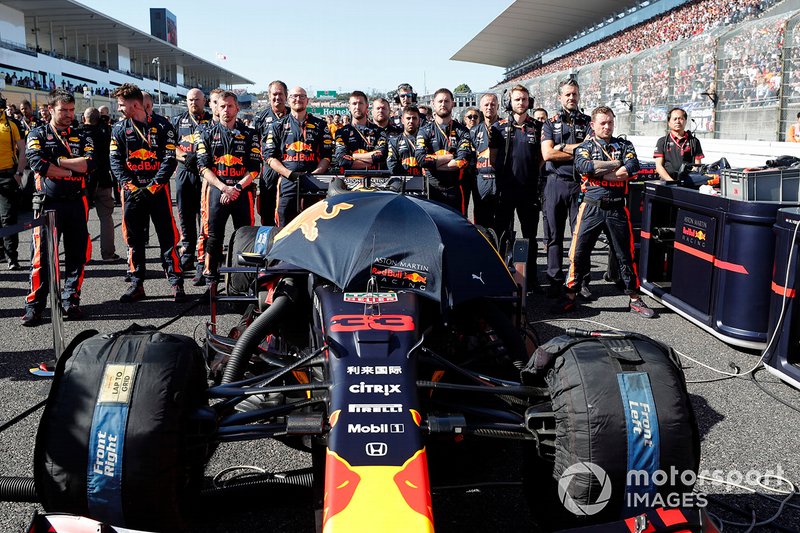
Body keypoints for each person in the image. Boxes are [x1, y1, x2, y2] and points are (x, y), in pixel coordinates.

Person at [561, 106, 654, 318]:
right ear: (592, 125)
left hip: (617, 207)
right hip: (591, 206)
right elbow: (585, 166)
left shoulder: (624, 144)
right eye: (602, 123)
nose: (607, 126)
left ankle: (634, 298)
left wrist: (602, 171)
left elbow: (633, 166)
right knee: (578, 253)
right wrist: (614, 165)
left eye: (610, 122)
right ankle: (569, 297)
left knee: (626, 255)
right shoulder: (584, 146)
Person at [23, 89, 94, 326]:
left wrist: (58, 162)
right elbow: (37, 163)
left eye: (72, 110)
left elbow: (89, 164)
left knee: (78, 254)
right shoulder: (38, 133)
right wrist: (70, 169)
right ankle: (35, 305)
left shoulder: (83, 135)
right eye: (63, 110)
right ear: (51, 109)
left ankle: (71, 299)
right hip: (47, 205)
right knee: (42, 257)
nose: (68, 115)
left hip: (76, 202)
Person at [109, 83, 184, 303]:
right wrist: (133, 187)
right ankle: (137, 283)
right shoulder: (119, 129)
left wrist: (152, 187)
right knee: (134, 240)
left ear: (135, 104)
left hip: (158, 193)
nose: (120, 109)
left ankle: (176, 283)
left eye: (122, 105)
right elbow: (115, 162)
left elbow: (170, 159)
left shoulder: (163, 126)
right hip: (133, 194)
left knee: (168, 238)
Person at [196, 91, 260, 288]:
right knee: (214, 236)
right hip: (217, 190)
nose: (226, 110)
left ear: (237, 108)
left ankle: (245, 279)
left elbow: (255, 169)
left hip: (242, 190)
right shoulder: (205, 132)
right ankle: (211, 278)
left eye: (230, 106)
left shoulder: (250, 134)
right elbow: (202, 166)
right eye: (222, 106)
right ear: (216, 108)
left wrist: (237, 187)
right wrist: (224, 187)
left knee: (246, 236)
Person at [541, 78, 591, 298]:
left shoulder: (588, 121)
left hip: (580, 184)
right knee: (554, 236)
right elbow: (548, 154)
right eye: (567, 94)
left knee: (581, 236)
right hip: (555, 183)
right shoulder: (550, 123)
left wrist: (562, 146)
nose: (571, 98)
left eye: (574, 94)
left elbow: (591, 149)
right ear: (559, 97)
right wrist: (577, 149)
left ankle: (581, 280)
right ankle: (554, 279)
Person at [493, 85, 543, 287]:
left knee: (530, 235)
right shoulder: (498, 128)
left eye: (524, 99)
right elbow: (493, 158)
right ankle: (501, 274)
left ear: (529, 102)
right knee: (503, 235)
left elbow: (541, 157)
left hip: (529, 191)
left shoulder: (538, 127)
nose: (521, 103)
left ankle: (531, 278)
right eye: (517, 99)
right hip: (505, 190)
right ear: (509, 102)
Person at [263, 86, 332, 226]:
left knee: (314, 224)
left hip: (313, 181)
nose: (298, 99)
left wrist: (316, 174)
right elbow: (269, 157)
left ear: (307, 100)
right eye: (294, 96)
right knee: (284, 223)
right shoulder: (277, 125)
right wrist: (290, 174)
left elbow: (327, 155)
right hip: (288, 180)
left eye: (302, 96)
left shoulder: (320, 125)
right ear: (288, 100)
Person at [172, 88, 212, 276]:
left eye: (197, 99)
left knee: (204, 214)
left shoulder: (212, 120)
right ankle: (187, 250)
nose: (193, 103)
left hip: (205, 173)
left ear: (204, 100)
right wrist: (184, 156)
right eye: (190, 100)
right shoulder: (178, 121)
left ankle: (203, 256)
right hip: (184, 171)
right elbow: (169, 146)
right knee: (185, 213)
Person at [415, 88, 473, 213]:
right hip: (431, 190)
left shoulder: (462, 131)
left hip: (455, 189)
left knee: (458, 229)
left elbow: (462, 161)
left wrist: (432, 165)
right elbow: (420, 160)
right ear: (433, 103)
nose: (443, 104)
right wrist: (450, 157)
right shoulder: (424, 131)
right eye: (440, 101)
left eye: (447, 101)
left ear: (453, 103)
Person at [81, 107, 118, 262]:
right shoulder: (106, 132)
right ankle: (108, 253)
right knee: (106, 218)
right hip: (103, 179)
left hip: (84, 181)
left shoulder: (78, 133)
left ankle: (83, 255)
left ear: (84, 119)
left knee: (80, 219)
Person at [253, 80, 288, 226]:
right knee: (267, 208)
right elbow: (254, 146)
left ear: (286, 96)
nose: (277, 97)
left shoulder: (294, 115)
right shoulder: (260, 118)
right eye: (274, 94)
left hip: (288, 167)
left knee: (288, 208)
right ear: (269, 96)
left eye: (280, 94)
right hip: (268, 169)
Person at [0, 94, 26, 271]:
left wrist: (19, 173)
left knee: (8, 218)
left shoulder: (11, 124)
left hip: (8, 175)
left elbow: (22, 149)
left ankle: (12, 257)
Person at [333, 91, 387, 172]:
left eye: (360, 103)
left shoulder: (379, 131)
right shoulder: (341, 132)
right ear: (349, 107)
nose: (357, 107)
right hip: (349, 181)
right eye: (354, 103)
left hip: (375, 180)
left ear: (367, 106)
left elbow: (380, 156)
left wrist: (353, 156)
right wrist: (371, 161)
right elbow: (342, 160)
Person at [470, 95, 501, 234]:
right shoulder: (473, 131)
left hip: (501, 179)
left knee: (503, 221)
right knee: (482, 222)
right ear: (481, 107)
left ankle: (504, 253)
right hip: (481, 180)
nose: (490, 107)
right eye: (486, 105)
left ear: (498, 106)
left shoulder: (505, 127)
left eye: (493, 104)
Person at [654, 107, 704, 181]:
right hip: (667, 184)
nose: (677, 121)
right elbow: (658, 166)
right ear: (669, 122)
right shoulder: (662, 141)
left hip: (687, 183)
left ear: (685, 121)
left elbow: (697, 165)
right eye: (674, 119)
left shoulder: (694, 141)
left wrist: (691, 178)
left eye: (680, 118)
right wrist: (671, 181)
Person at [386, 105, 423, 176]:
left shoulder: (426, 139)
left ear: (419, 121)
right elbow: (391, 163)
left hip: (424, 181)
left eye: (414, 118)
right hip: (403, 181)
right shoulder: (394, 141)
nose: (411, 121)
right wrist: (406, 177)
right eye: (408, 118)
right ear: (402, 120)